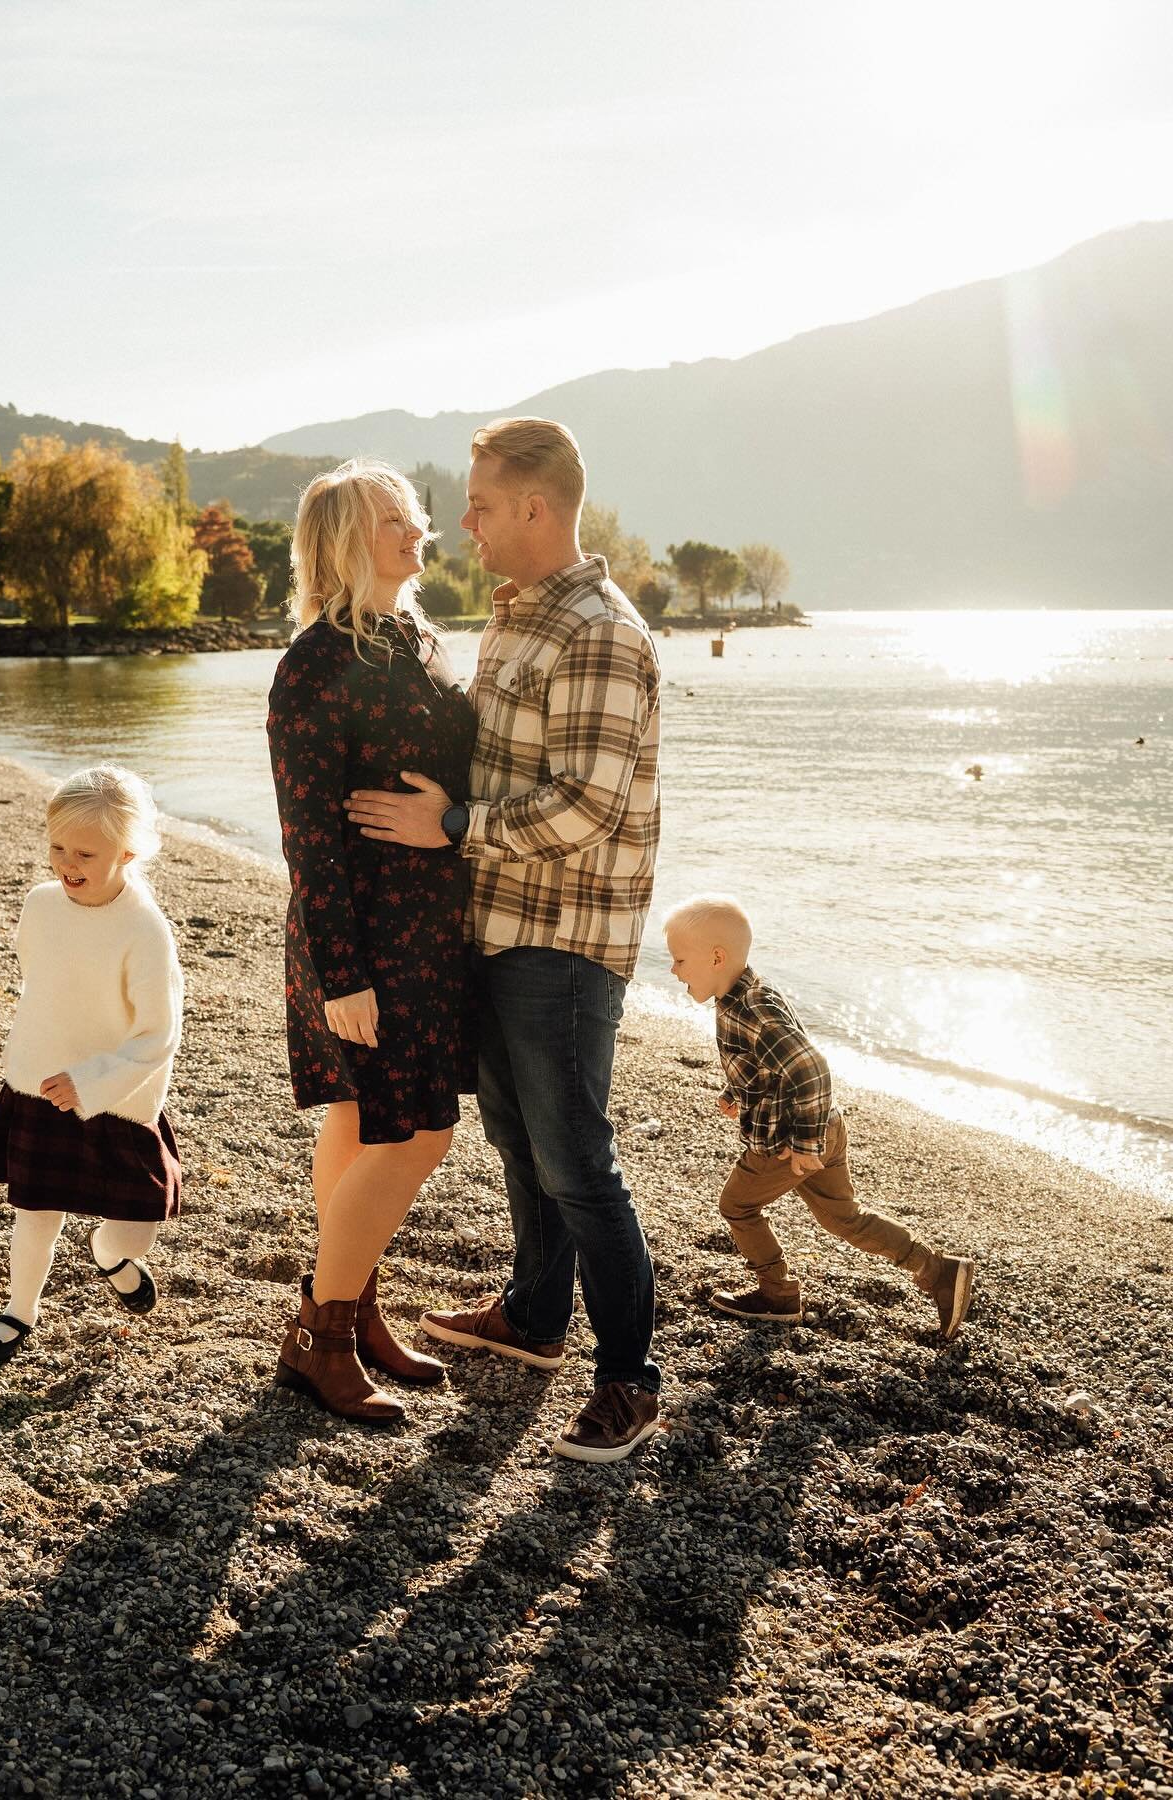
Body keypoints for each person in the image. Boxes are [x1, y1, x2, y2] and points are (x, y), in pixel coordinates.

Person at [347, 418, 663, 1464]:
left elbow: (585, 807)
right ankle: (533, 1316)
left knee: (577, 1157)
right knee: (517, 1139)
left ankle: (630, 1381)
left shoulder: (601, 633)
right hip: (492, 924)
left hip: (565, 936)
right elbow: (505, 765)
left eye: (480, 504)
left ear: (535, 506)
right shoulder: (515, 619)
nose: (465, 523)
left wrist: (450, 825)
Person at [266, 459, 477, 1425]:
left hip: (426, 930)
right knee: (417, 1131)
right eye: (393, 518)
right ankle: (320, 1333)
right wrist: (340, 973)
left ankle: (359, 1308)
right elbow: (306, 829)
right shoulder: (315, 661)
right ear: (345, 541)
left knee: (356, 1124)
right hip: (359, 938)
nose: (416, 529)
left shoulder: (423, 640)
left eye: (414, 514)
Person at [663, 895, 975, 1337]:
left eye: (679, 960)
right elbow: (769, 1063)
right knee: (843, 1216)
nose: (673, 970)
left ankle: (777, 1294)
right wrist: (739, 1092)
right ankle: (937, 1270)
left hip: (788, 1139)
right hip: (826, 1126)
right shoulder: (744, 994)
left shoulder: (752, 1009)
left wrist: (804, 1145)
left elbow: (810, 1068)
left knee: (737, 1205)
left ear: (717, 957)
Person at [0, 765, 185, 1364]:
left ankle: (110, 1253)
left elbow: (158, 1033)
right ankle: (18, 1310)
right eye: (57, 846)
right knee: (35, 1208)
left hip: (115, 1096)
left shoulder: (145, 930)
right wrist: (44, 1055)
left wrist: (91, 1079)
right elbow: (40, 981)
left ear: (128, 851)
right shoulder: (40, 906)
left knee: (138, 1220)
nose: (68, 862)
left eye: (86, 852)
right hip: (39, 1085)